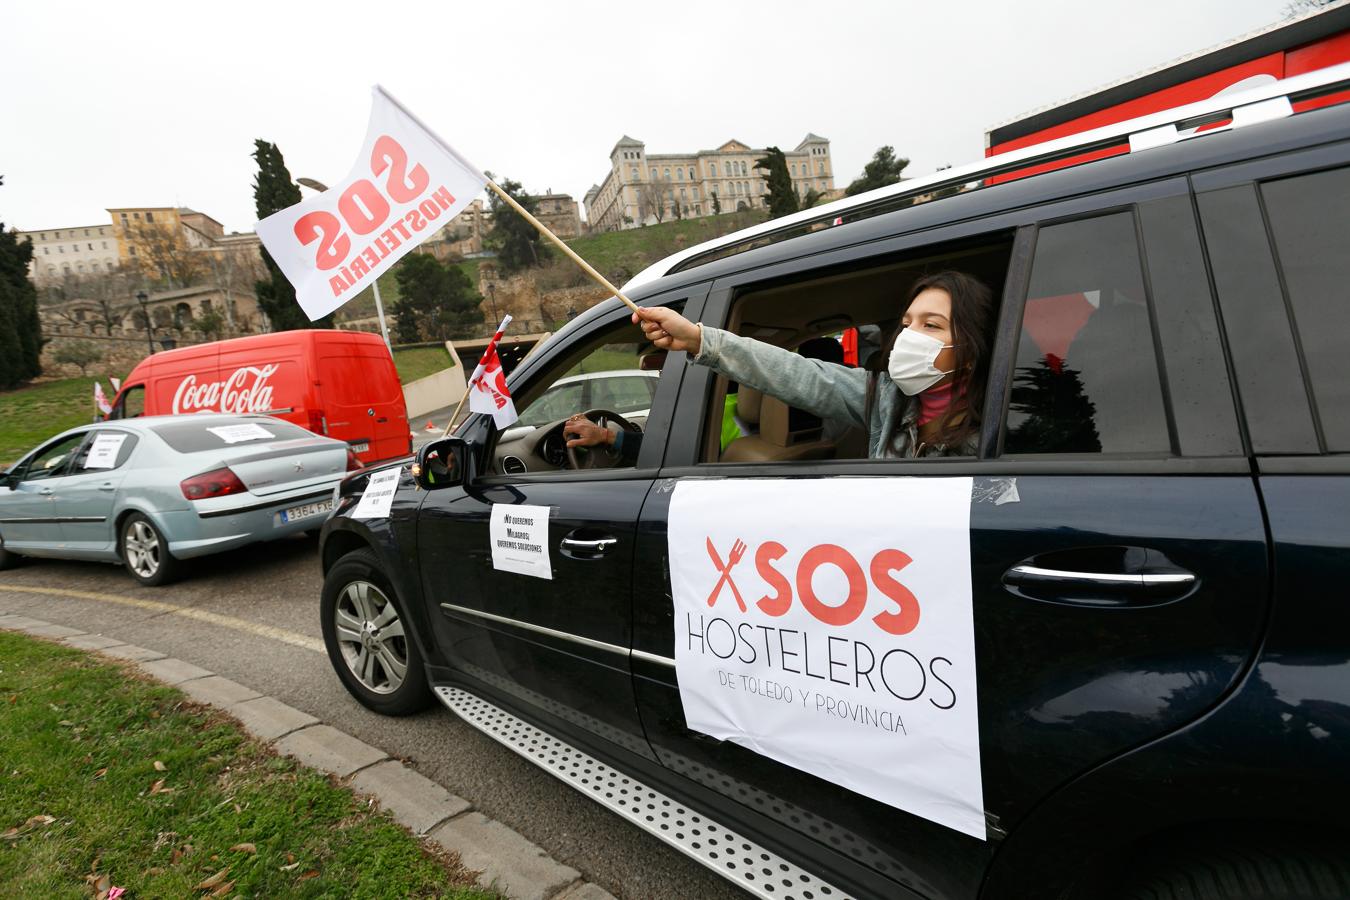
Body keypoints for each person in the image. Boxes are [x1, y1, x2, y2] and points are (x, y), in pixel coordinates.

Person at [633, 270, 994, 459]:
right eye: (906, 324)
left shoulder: (1000, 427)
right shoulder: (886, 398)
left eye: (931, 325)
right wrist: (699, 339)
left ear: (970, 347)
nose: (908, 337)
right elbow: (797, 375)